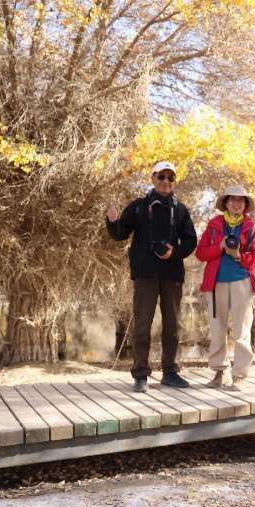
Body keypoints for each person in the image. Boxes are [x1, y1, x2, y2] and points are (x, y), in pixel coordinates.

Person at [106, 161, 198, 393]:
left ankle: (170, 372)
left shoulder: (181, 210)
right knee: (142, 324)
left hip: (172, 274)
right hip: (145, 274)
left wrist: (173, 252)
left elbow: (190, 242)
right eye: (161, 177)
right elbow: (120, 234)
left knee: (172, 325)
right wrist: (112, 220)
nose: (166, 181)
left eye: (170, 178)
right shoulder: (138, 207)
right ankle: (140, 375)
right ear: (152, 178)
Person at [195, 184, 255, 389]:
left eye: (240, 200)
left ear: (245, 204)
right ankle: (218, 372)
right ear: (225, 203)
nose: (236, 203)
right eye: (232, 199)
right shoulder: (214, 224)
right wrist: (220, 247)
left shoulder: (252, 227)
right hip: (216, 283)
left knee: (242, 329)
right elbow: (201, 253)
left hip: (242, 281)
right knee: (217, 329)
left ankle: (240, 375)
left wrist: (239, 255)